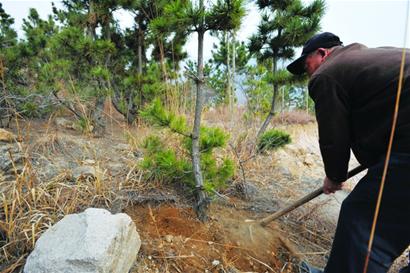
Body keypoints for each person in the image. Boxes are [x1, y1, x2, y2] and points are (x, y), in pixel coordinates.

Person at [286, 32, 410, 273]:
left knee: (363, 222)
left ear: (322, 54)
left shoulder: (328, 73)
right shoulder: (372, 58)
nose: (307, 73)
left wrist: (334, 174)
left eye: (305, 65)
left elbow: (334, 133)